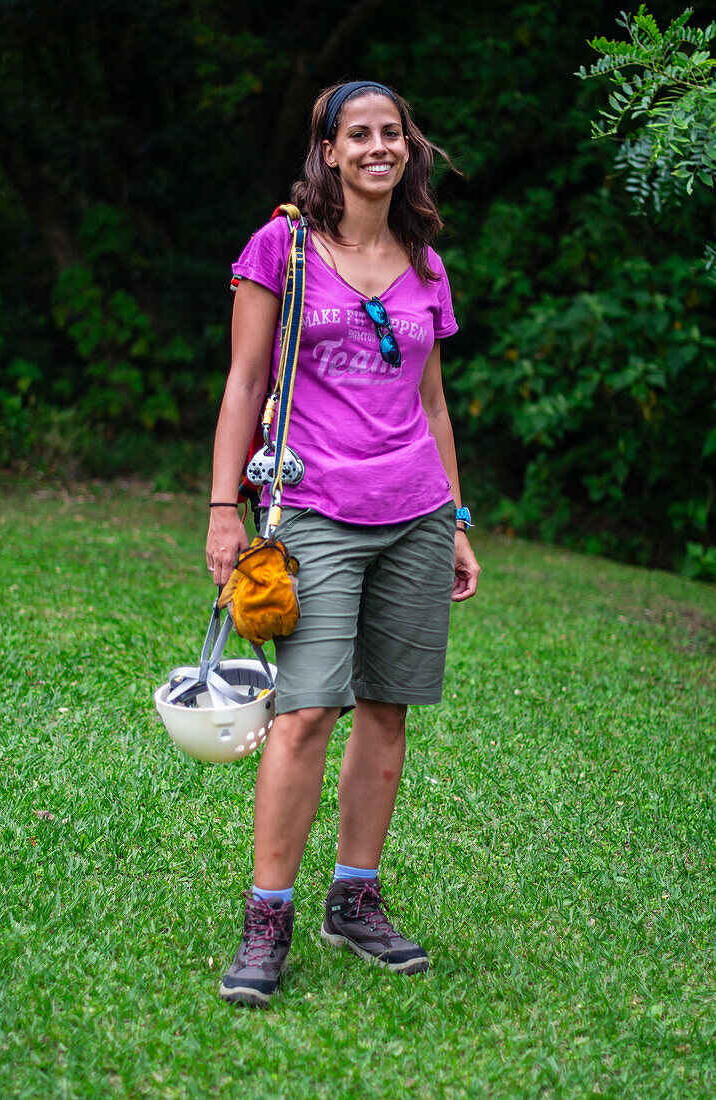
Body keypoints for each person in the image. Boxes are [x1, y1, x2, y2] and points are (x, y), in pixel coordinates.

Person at [206, 80, 480, 1008]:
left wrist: (456, 518)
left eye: (390, 132)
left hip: (414, 510)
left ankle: (354, 899)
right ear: (327, 151)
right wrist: (220, 506)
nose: (376, 146)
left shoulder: (425, 262)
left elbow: (432, 403)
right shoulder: (279, 246)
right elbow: (245, 385)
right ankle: (267, 916)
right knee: (304, 712)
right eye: (356, 134)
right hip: (311, 504)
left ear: (408, 147)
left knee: (388, 709)